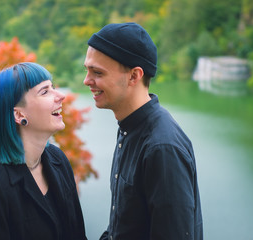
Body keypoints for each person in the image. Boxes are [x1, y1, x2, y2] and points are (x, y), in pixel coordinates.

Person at [83, 22, 203, 239]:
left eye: (97, 72)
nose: (86, 81)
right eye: (87, 70)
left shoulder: (162, 147)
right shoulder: (129, 128)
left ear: (134, 76)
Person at [0, 62, 87, 240]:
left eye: (53, 87)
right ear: (19, 115)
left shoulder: (58, 160)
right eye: (45, 91)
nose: (61, 96)